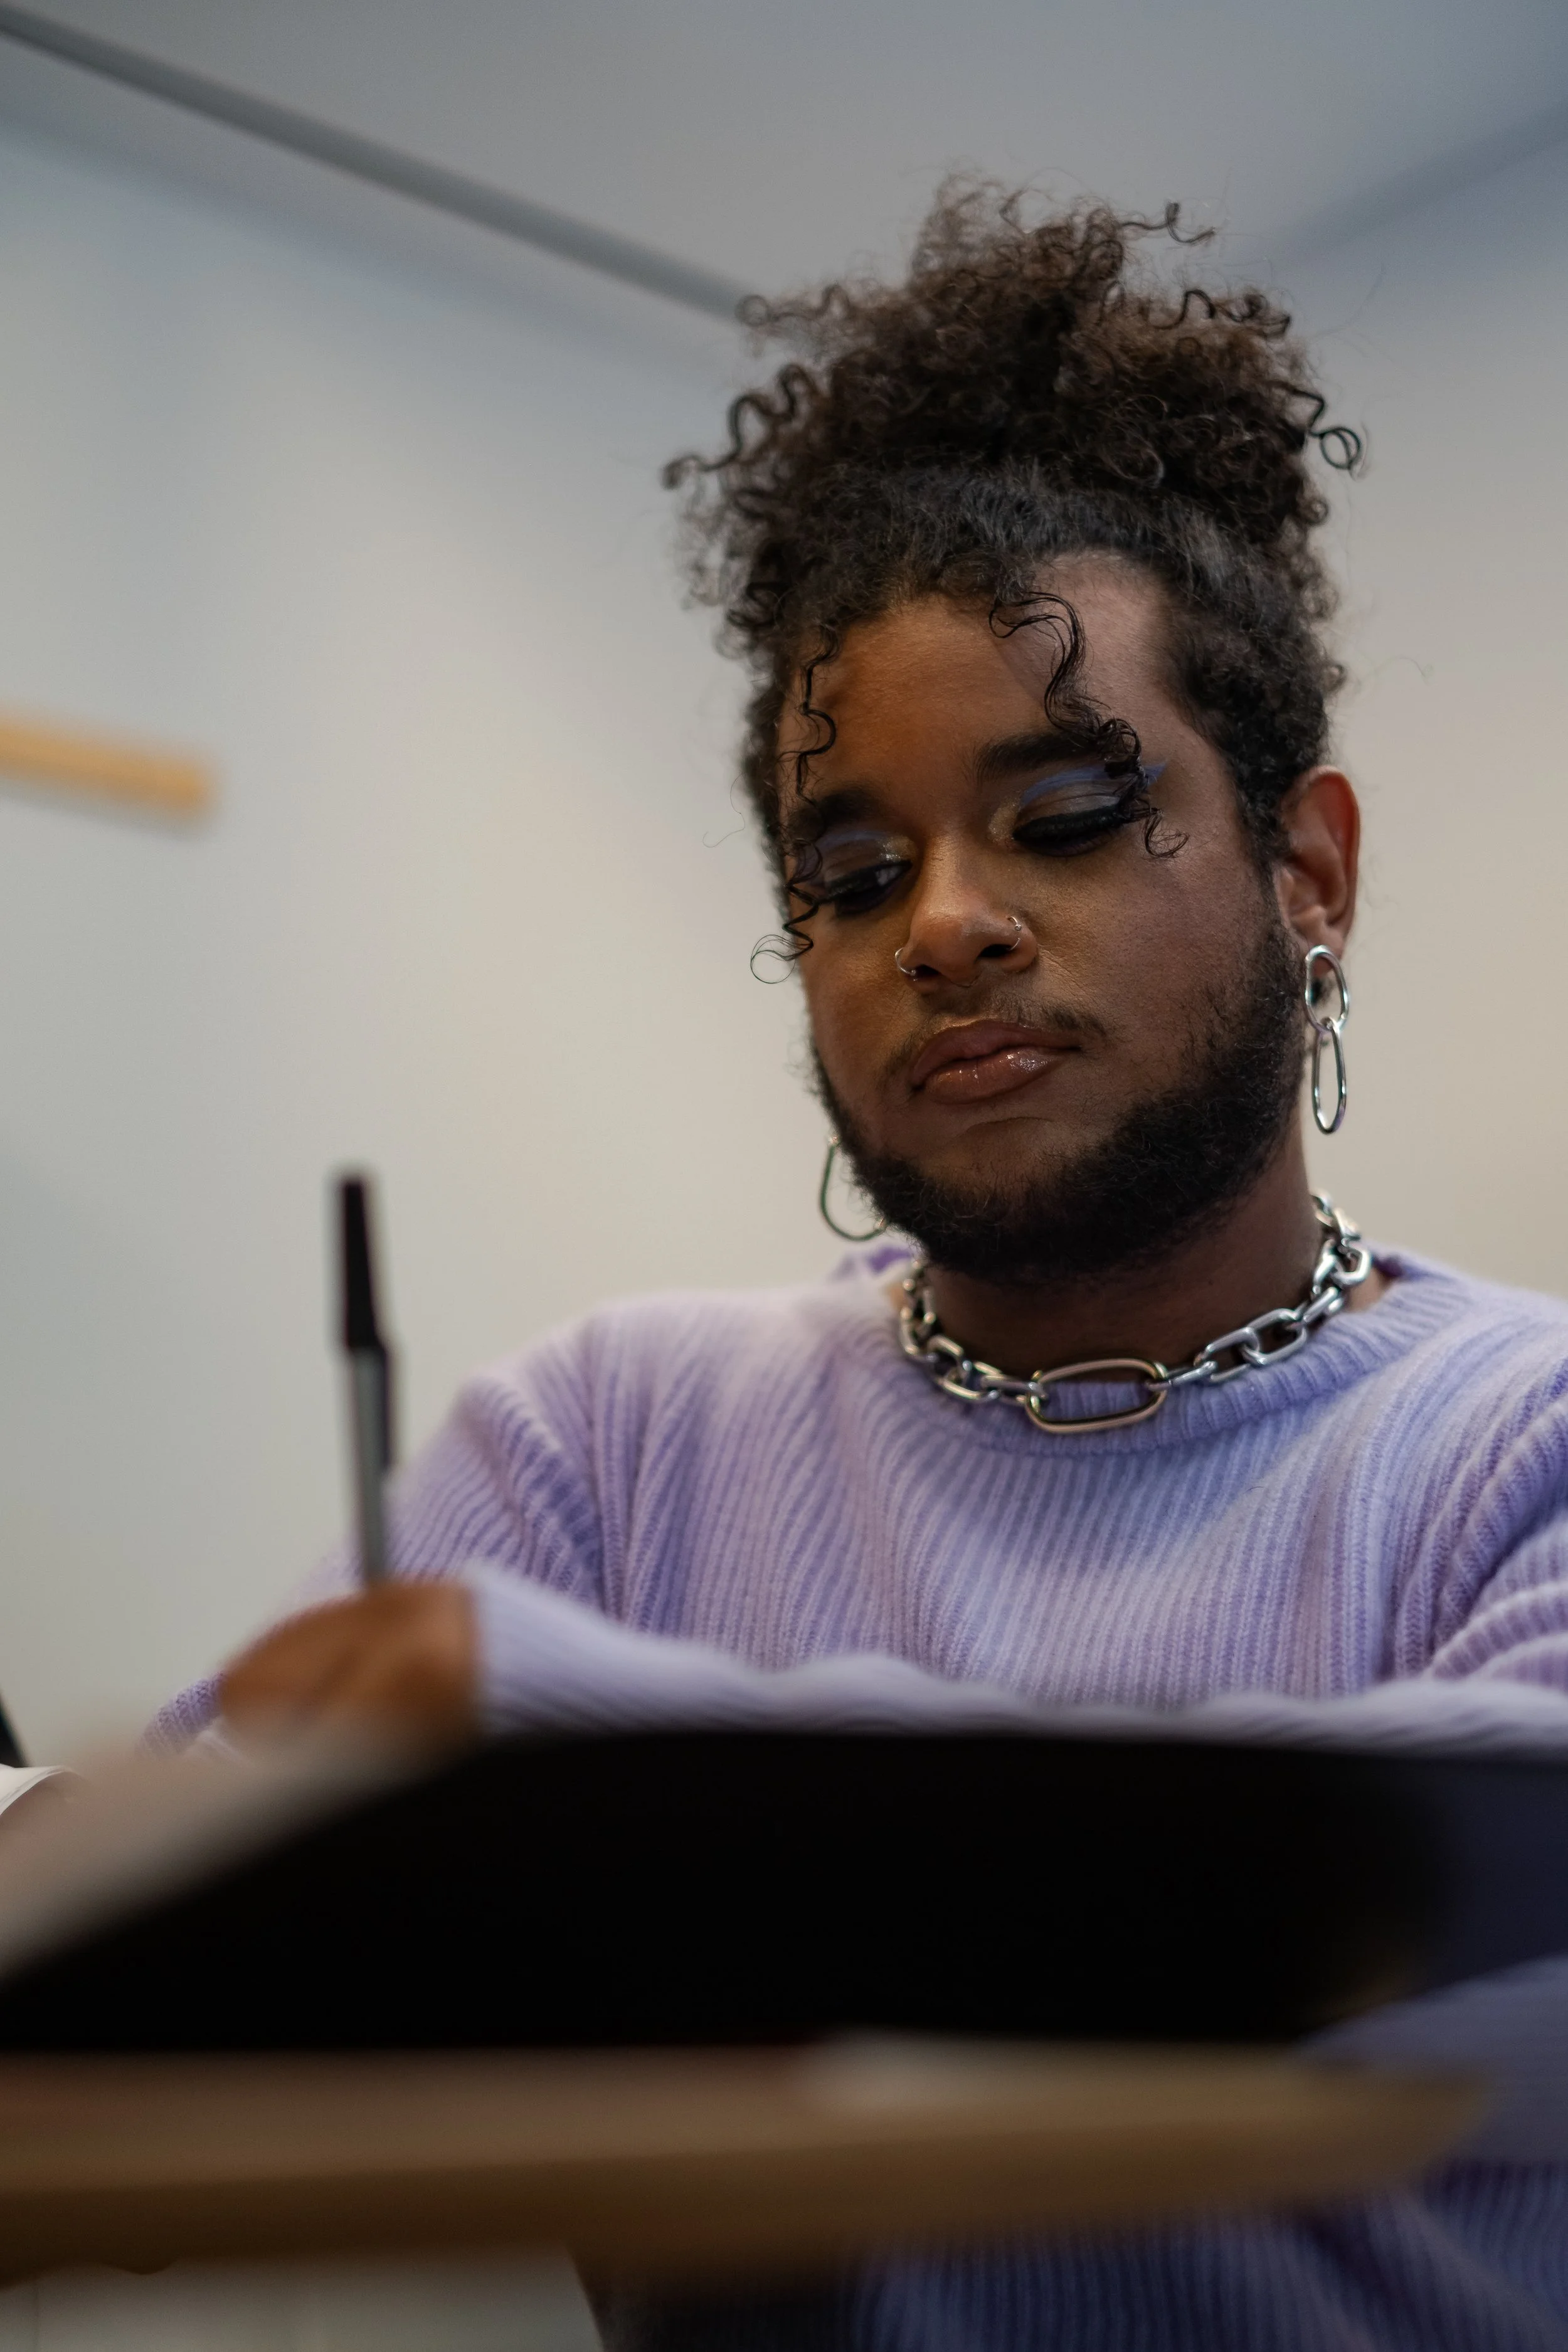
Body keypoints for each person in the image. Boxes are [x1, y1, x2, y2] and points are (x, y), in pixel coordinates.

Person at [160, 190, 1568, 2348]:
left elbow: (1356, 1943)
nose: (939, 921)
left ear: (1308, 868)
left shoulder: (1521, 1445)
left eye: (1068, 813)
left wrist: (565, 1756)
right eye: (846, 867)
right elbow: (162, 1920)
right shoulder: (610, 1440)